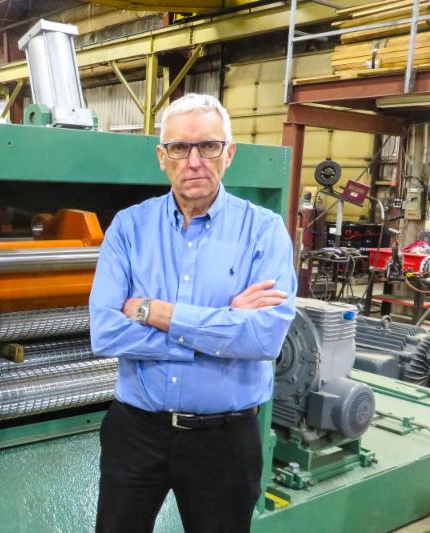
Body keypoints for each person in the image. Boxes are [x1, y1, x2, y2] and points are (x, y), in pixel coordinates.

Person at [89, 93, 297, 533]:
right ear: (162, 157)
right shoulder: (129, 227)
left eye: (209, 146)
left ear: (229, 153)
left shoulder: (264, 231)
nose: (195, 161)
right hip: (136, 432)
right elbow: (105, 331)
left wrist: (156, 311)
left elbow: (263, 338)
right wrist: (222, 325)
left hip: (225, 441)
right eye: (180, 147)